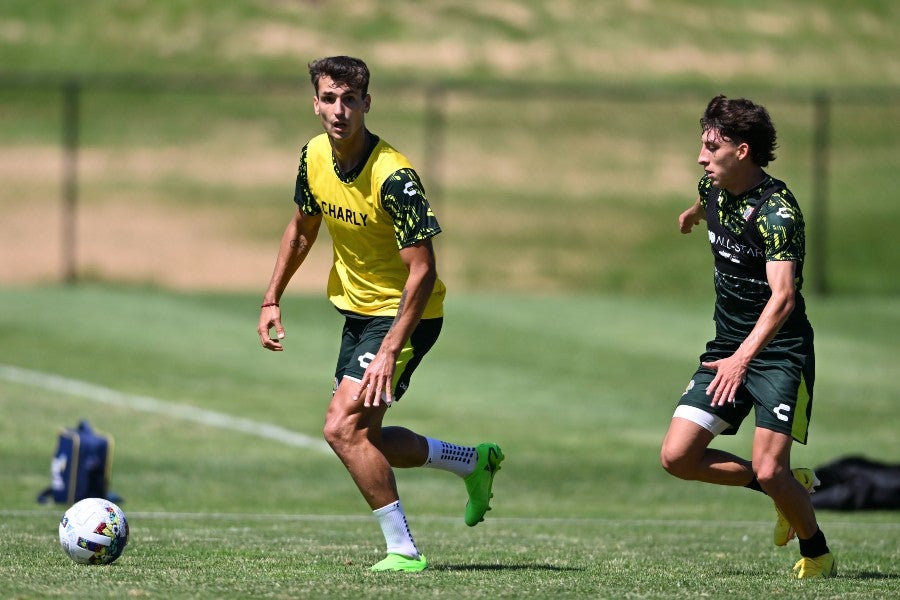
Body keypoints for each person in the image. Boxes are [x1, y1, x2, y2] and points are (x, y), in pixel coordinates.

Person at [257, 56, 504, 573]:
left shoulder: (395, 177)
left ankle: (404, 551)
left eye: (350, 99)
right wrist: (271, 296)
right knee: (363, 436)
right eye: (329, 99)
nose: (339, 110)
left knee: (341, 428)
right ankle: (473, 462)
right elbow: (303, 229)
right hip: (357, 311)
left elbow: (423, 271)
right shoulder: (312, 157)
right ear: (315, 103)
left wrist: (392, 347)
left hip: (406, 315)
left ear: (367, 103)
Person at [659, 95, 836, 579]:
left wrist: (743, 361)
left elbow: (781, 300)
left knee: (771, 467)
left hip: (779, 354)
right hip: (727, 347)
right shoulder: (713, 187)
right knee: (677, 457)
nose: (700, 156)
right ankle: (784, 489)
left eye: (711, 147)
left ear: (741, 151)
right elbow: (705, 198)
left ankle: (817, 552)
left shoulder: (778, 213)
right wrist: (693, 214)